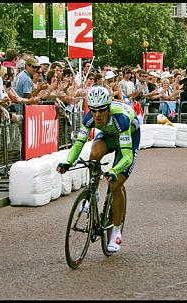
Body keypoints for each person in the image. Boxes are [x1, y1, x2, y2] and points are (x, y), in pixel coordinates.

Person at [57, 86, 141, 253]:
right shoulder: (89, 118)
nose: (97, 115)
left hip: (128, 138)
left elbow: (127, 157)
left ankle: (116, 231)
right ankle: (93, 192)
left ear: (108, 108)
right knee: (93, 154)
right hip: (109, 136)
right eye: (93, 110)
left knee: (115, 185)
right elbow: (79, 143)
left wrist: (114, 171)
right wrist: (68, 162)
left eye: (101, 111)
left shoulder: (121, 119)